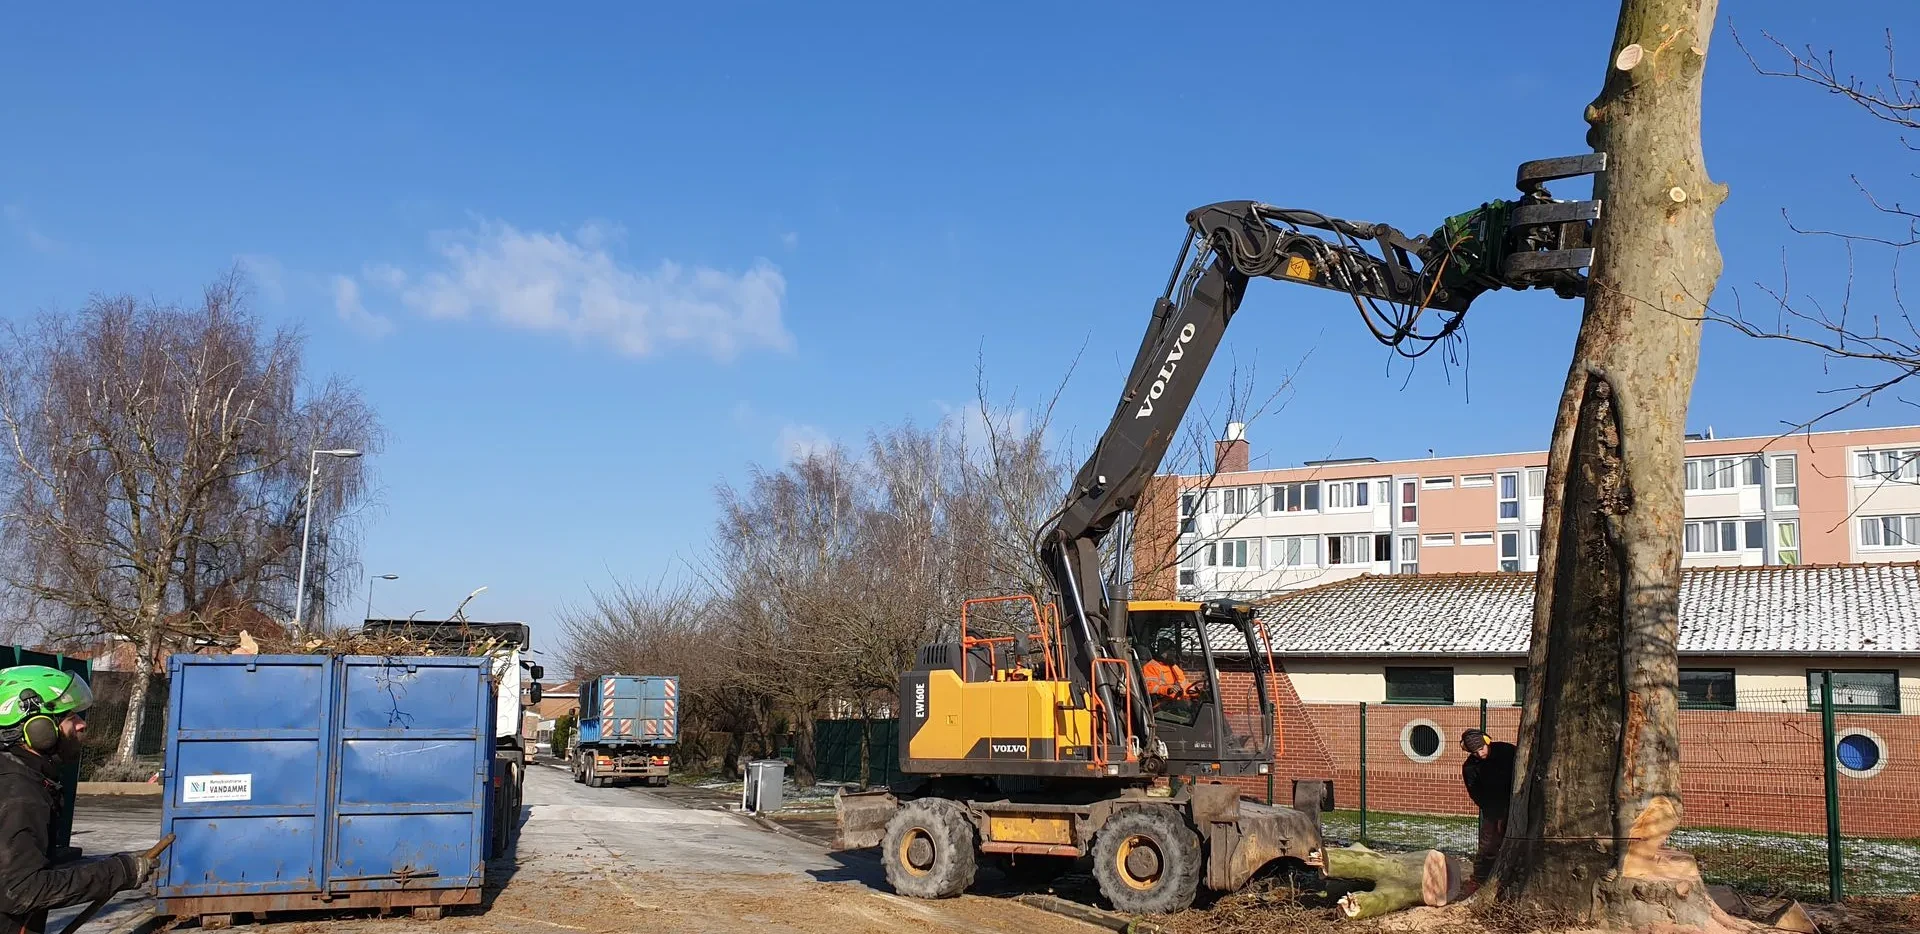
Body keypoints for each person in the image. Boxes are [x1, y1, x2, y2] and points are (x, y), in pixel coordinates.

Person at [0, 666, 154, 934]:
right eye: (68, 716)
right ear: (37, 728)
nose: (81, 723)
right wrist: (118, 872)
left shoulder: (19, 778)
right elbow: (23, 890)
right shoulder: (19, 794)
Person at [1459, 728, 1516, 891]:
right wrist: (1496, 814)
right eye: (1474, 752)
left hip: (1516, 801)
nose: (1480, 754)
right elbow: (1476, 793)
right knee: (1488, 846)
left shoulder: (1507, 751)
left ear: (1487, 741)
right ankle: (1479, 879)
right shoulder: (1470, 768)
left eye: (1481, 749)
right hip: (1493, 808)